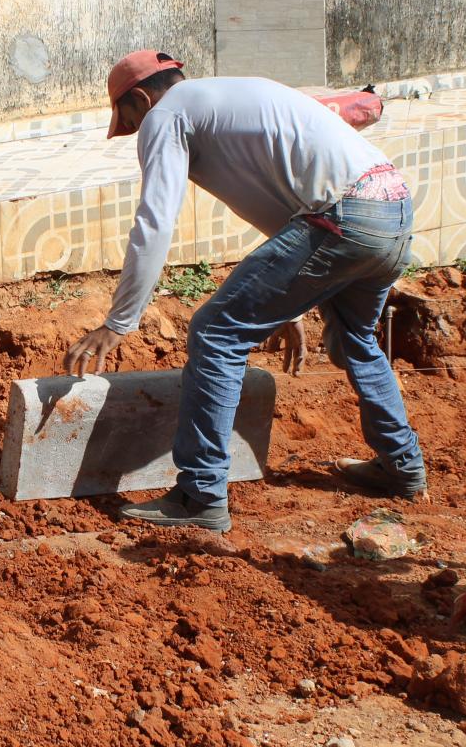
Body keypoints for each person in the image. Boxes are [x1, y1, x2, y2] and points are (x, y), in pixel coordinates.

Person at [63, 50, 427, 532]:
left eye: (129, 120)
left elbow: (155, 222)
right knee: (355, 338)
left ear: (139, 98)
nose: (134, 132)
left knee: (215, 333)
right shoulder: (233, 95)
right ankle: (402, 465)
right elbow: (289, 205)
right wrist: (291, 308)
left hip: (341, 216)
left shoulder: (166, 114)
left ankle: (200, 495)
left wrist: (119, 322)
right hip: (392, 210)